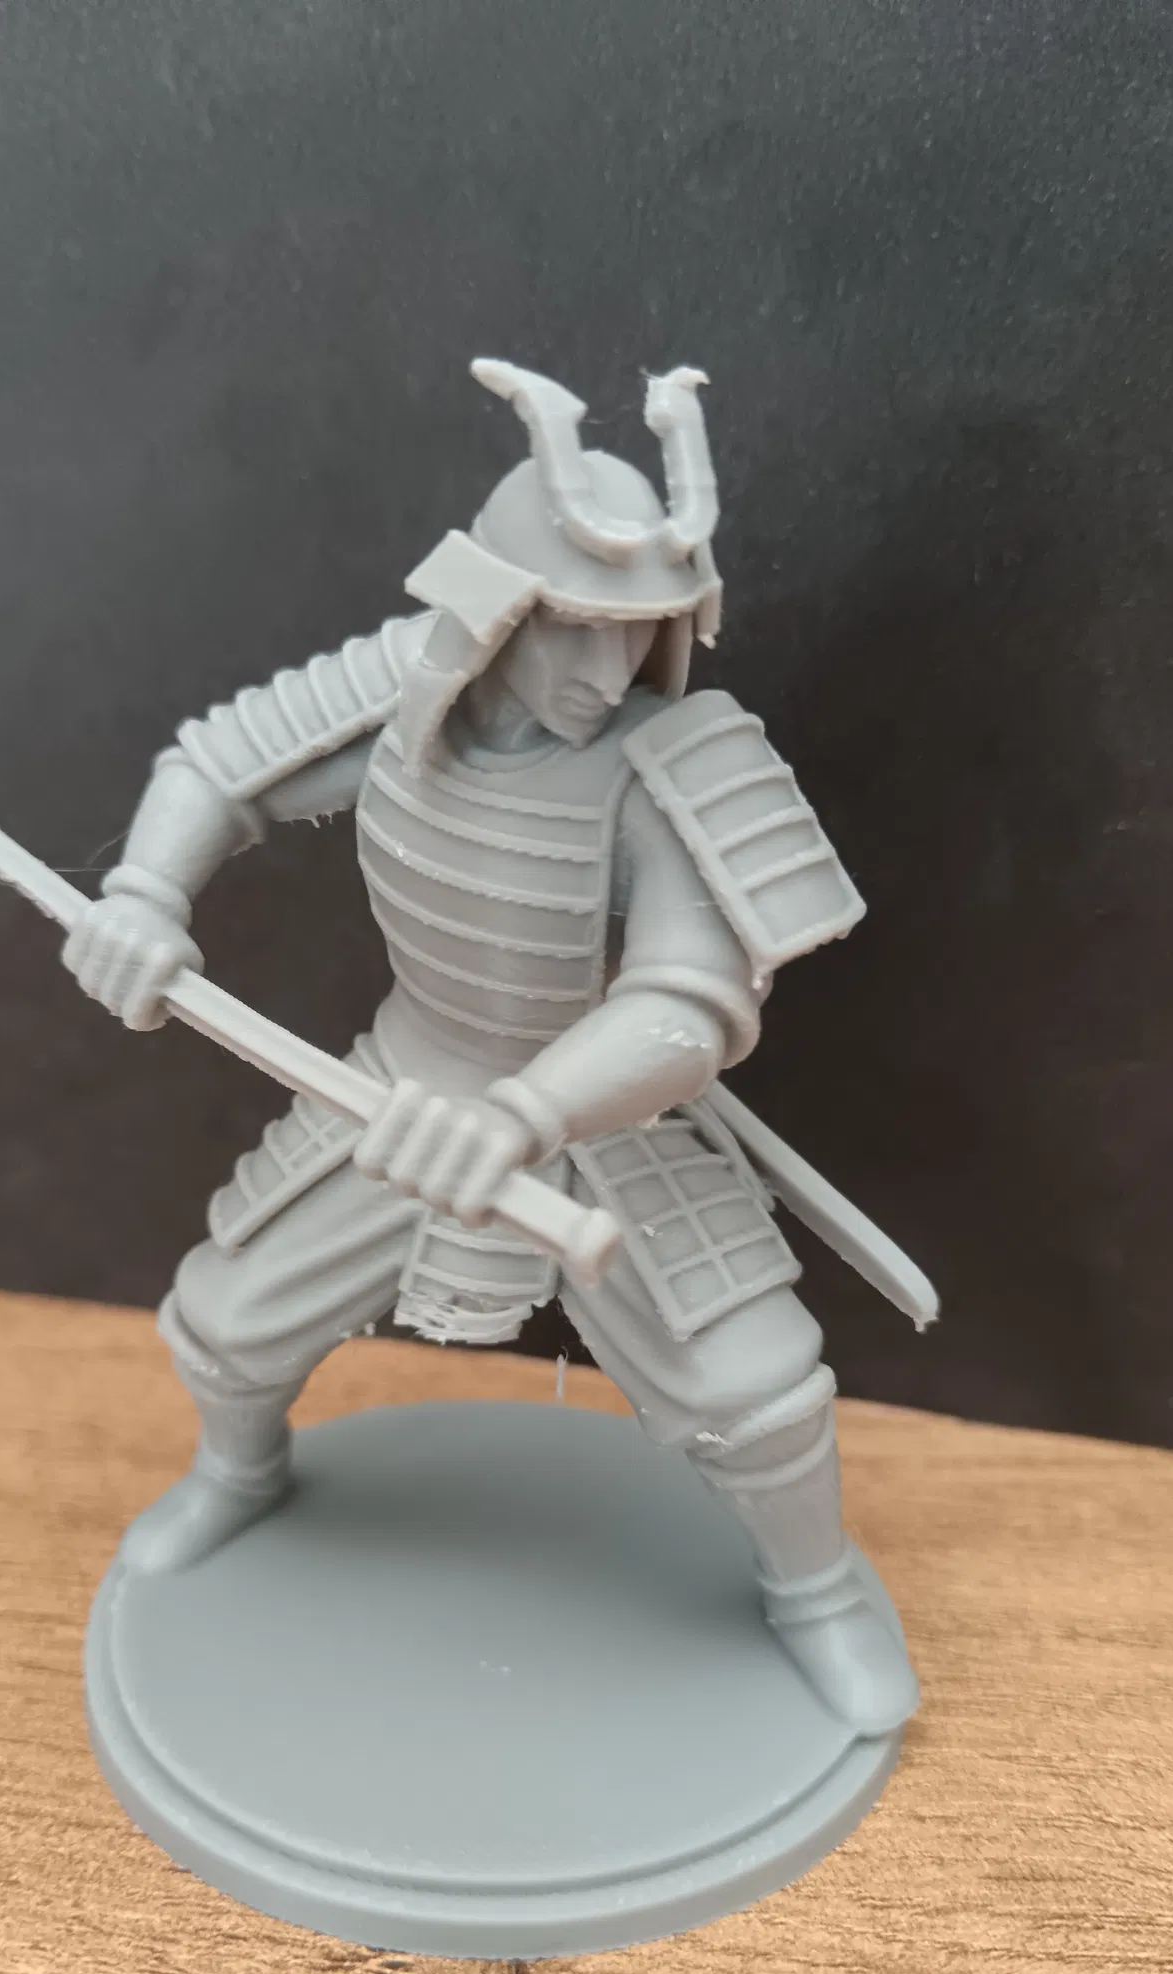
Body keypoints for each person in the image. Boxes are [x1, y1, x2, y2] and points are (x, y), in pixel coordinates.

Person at [63, 358, 919, 1737]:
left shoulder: (676, 760)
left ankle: (814, 1592)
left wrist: (527, 1115)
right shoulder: (405, 689)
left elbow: (694, 1003)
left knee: (760, 1394)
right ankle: (240, 1477)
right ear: (496, 610)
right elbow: (215, 767)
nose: (605, 671)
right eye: (573, 629)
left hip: (605, 1119)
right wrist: (147, 897)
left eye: (636, 634)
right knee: (225, 1322)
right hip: (401, 1086)